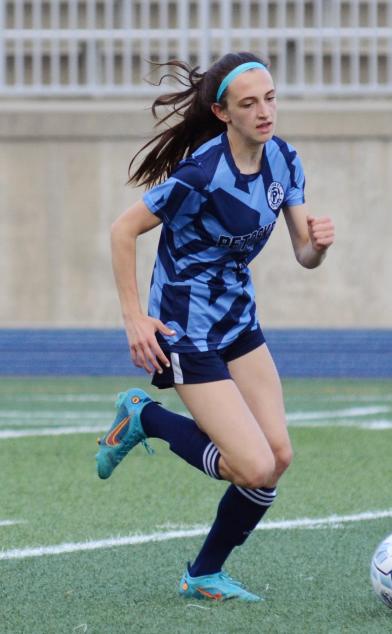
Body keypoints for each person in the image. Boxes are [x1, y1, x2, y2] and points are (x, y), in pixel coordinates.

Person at [96, 52, 335, 599]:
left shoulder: (284, 161)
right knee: (250, 466)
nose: (265, 112)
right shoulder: (200, 174)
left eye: (270, 98)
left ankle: (203, 573)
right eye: (249, 104)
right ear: (224, 113)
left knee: (276, 458)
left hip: (237, 319)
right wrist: (135, 319)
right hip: (185, 328)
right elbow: (121, 231)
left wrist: (317, 245)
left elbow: (303, 253)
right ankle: (146, 417)